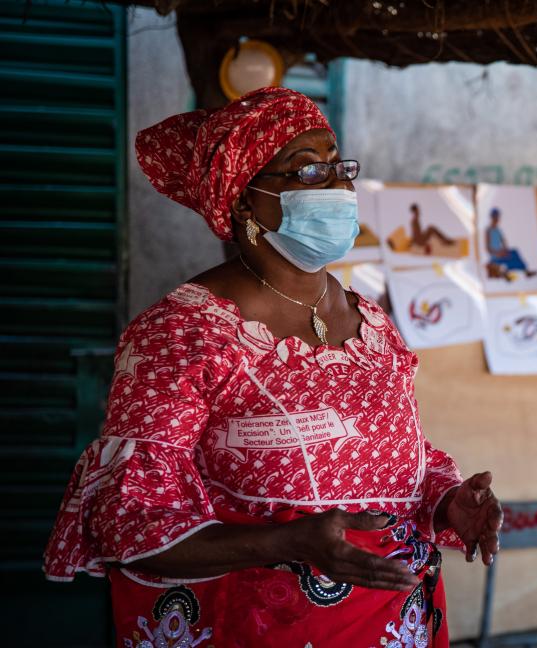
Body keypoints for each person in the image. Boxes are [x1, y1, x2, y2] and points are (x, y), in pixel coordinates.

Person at [43, 87, 502, 647]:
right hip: (257, 628)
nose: (338, 186)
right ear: (243, 202)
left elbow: (393, 456)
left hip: (394, 622)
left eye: (337, 167)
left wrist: (448, 501)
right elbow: (129, 518)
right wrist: (288, 542)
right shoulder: (183, 334)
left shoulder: (371, 320)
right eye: (306, 172)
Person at [485, 207, 537, 281]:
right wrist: (498, 253)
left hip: (501, 252)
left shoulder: (498, 230)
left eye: (498, 217)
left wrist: (505, 249)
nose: (497, 219)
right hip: (495, 255)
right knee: (509, 258)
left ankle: (526, 272)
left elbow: (503, 241)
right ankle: (507, 274)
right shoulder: (488, 230)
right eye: (496, 217)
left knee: (514, 252)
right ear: (492, 218)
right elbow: (488, 248)